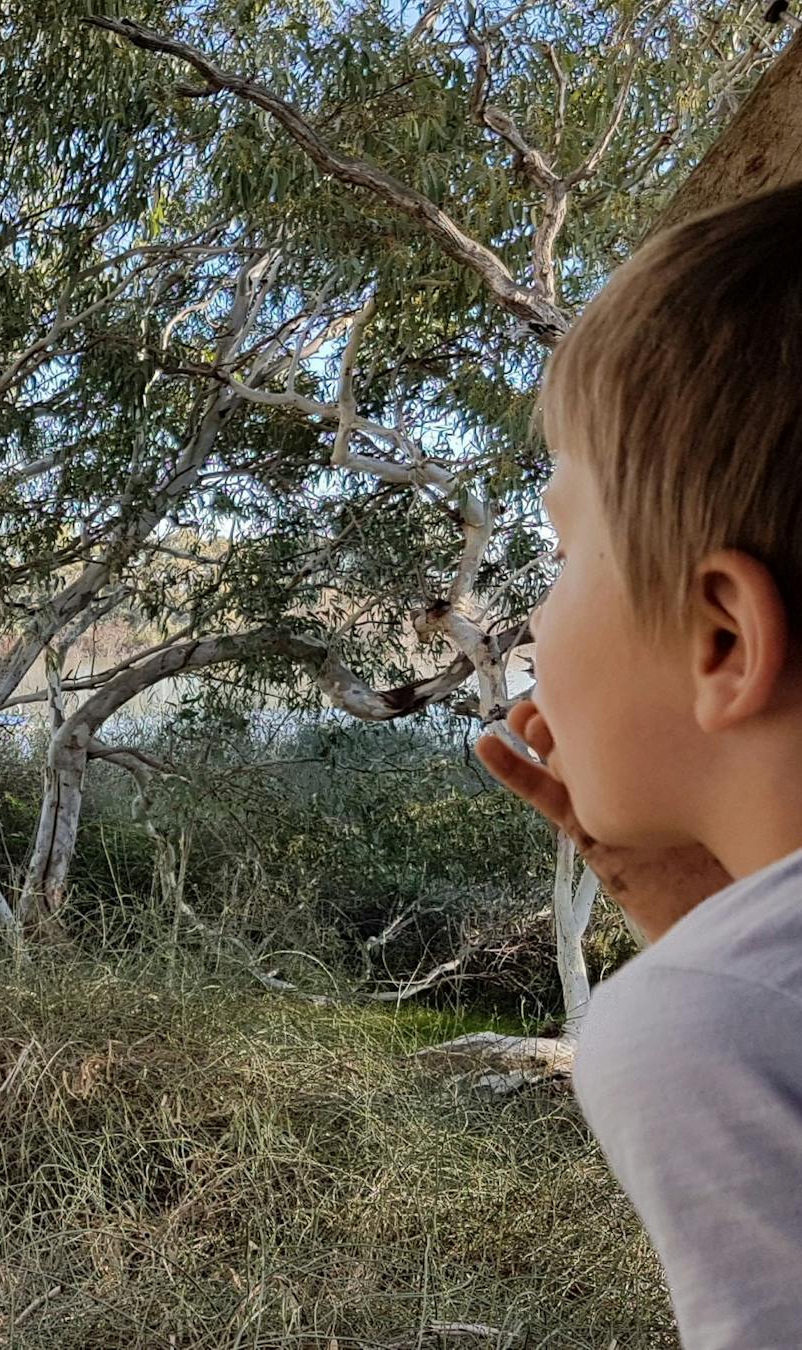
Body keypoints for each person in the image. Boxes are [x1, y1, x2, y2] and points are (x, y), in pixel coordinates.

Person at [475, 181, 802, 1347]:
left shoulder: (707, 1033)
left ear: (722, 640)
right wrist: (702, 916)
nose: (532, 621)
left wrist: (713, 968)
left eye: (565, 554)